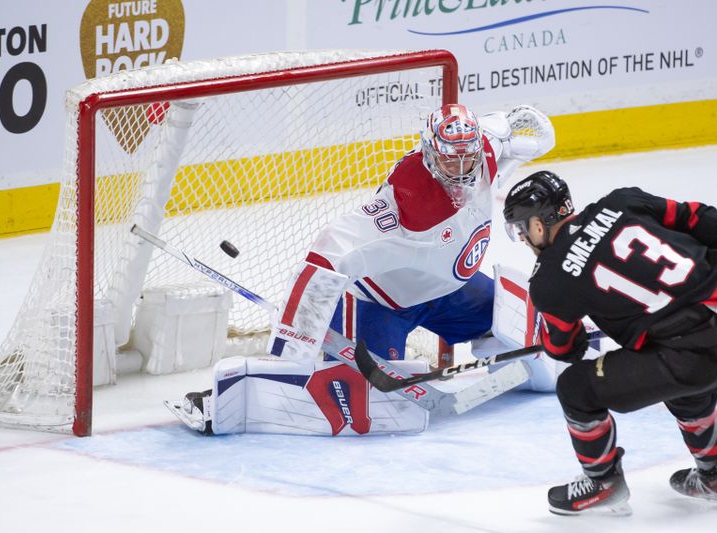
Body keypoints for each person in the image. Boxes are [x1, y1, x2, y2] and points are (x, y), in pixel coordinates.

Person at [175, 103, 558, 436]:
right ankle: (239, 397)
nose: (460, 171)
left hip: (450, 292)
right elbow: (326, 254)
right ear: (429, 154)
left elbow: (523, 131)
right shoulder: (402, 207)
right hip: (381, 304)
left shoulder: (484, 147)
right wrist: (293, 344)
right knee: (367, 405)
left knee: (533, 340)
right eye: (449, 160)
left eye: (467, 158)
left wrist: (524, 135)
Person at [502, 170, 717, 516]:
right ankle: (716, 475)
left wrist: (577, 332)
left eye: (523, 229)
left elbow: (564, 349)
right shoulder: (621, 201)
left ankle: (602, 481)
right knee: (679, 376)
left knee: (576, 388)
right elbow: (715, 224)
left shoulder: (550, 280)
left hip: (697, 358)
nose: (524, 238)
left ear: (538, 225)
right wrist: (702, 292)